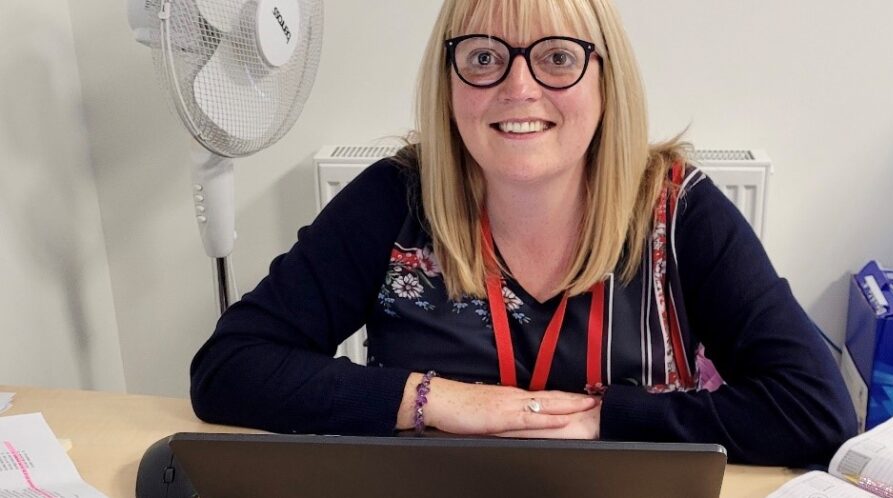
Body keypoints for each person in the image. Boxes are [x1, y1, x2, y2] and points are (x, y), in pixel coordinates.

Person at [190, 0, 856, 466]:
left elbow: (816, 410)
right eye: (483, 57)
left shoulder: (680, 210)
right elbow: (229, 367)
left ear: (605, 78)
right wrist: (440, 400)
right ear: (448, 82)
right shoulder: (395, 200)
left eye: (558, 57)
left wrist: (603, 421)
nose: (519, 86)